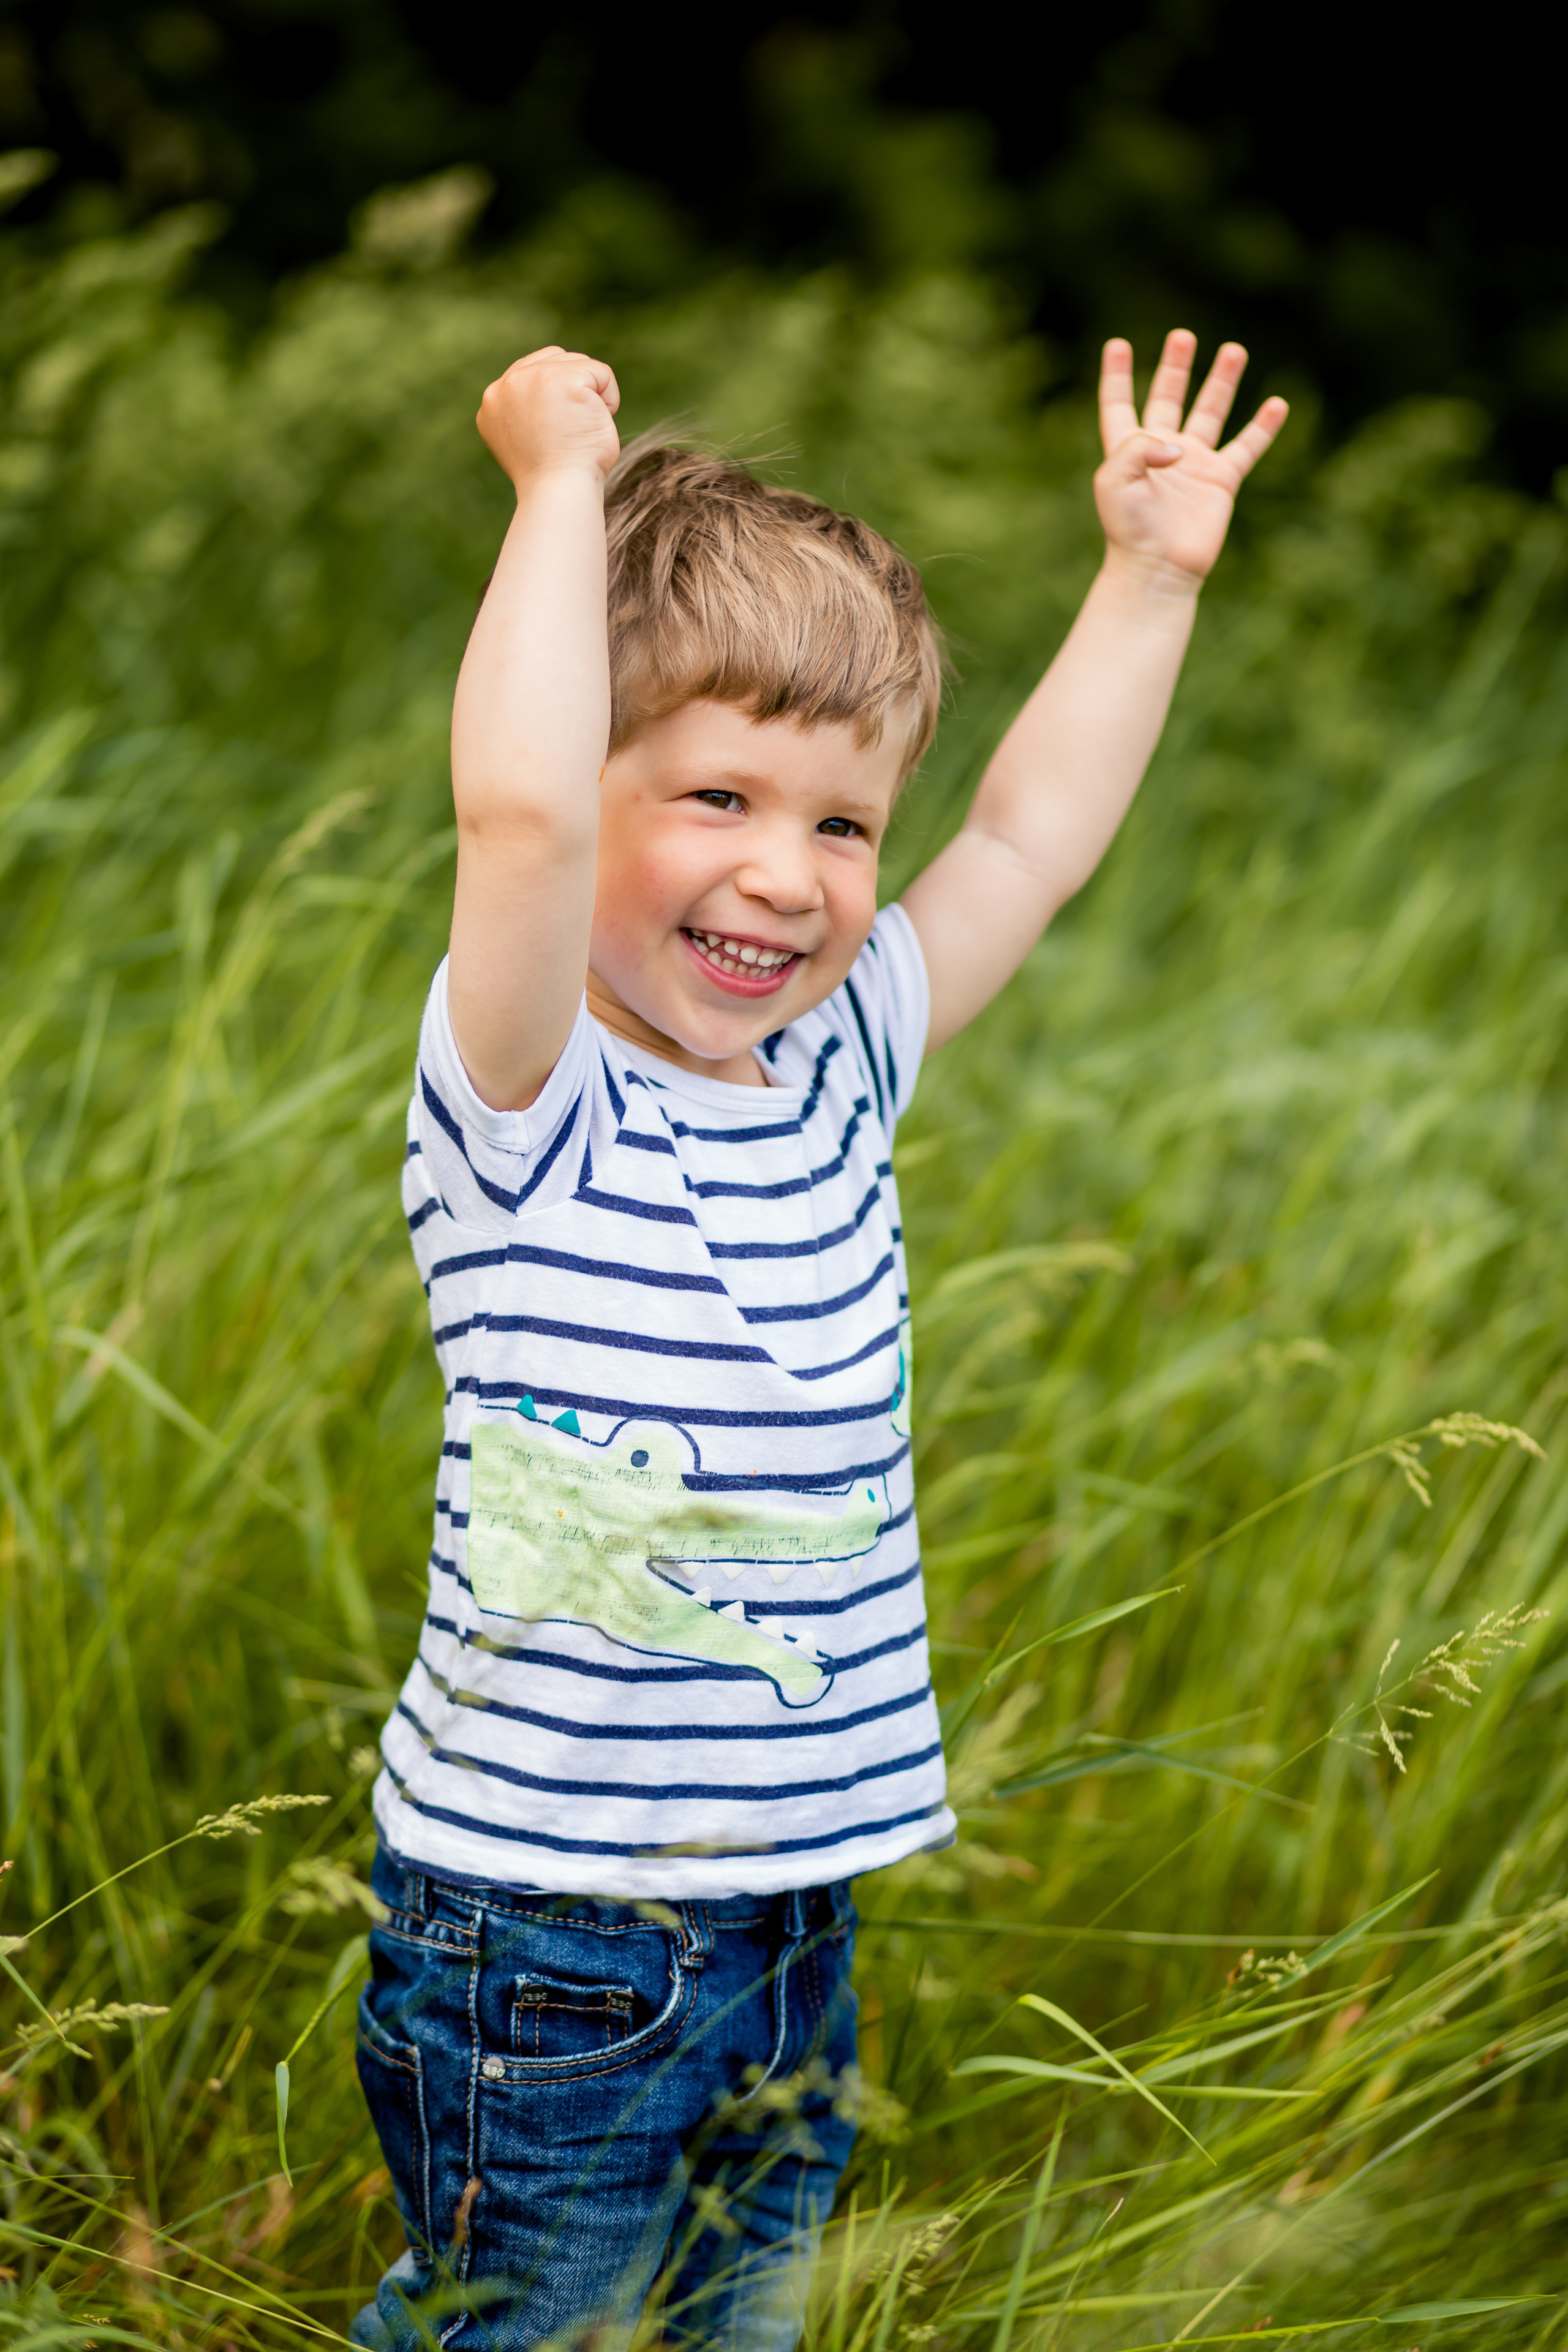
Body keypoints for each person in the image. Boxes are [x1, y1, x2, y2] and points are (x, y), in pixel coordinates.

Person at [351, 330, 1286, 2351]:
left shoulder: (838, 1062)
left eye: (843, 825)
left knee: (740, 2325)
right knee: (522, 2329)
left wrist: (1149, 581)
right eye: (715, 796)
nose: (787, 875)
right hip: (549, 1938)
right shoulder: (532, 1094)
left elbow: (1026, 839)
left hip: (794, 1908)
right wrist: (558, 494)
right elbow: (518, 821)